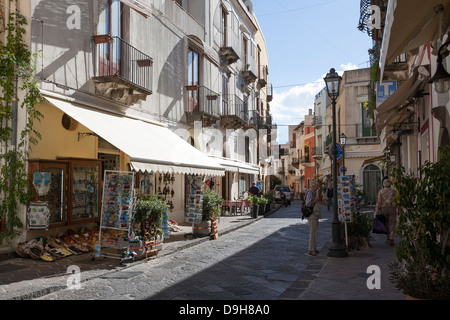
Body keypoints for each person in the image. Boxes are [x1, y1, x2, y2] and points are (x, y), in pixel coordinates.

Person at [376, 179, 399, 246]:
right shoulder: (394, 191)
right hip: (392, 208)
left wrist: (378, 209)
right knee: (392, 223)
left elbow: (379, 202)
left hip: (384, 209)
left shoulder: (381, 191)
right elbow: (398, 201)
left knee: (385, 223)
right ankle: (392, 237)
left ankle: (388, 238)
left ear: (384, 184)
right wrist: (399, 209)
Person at [305, 181, 321, 256]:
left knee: (315, 232)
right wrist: (316, 200)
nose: (317, 188)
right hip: (312, 215)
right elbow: (308, 203)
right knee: (313, 232)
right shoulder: (310, 193)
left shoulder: (313, 193)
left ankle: (313, 248)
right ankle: (311, 250)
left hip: (314, 215)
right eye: (316, 187)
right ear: (312, 186)